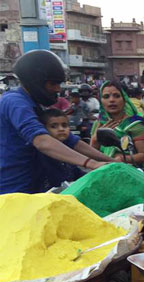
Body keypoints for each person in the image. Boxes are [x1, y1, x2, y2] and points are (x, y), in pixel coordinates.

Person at [0, 50, 111, 194]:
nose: (58, 89)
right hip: (16, 192)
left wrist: (113, 162)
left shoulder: (36, 104)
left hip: (41, 189)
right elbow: (42, 141)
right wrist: (91, 163)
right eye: (53, 84)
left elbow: (73, 142)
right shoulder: (15, 102)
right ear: (36, 81)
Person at [90, 81, 144, 165]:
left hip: (129, 172)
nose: (111, 100)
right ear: (101, 101)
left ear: (124, 99)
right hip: (102, 171)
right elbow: (91, 155)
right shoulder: (98, 124)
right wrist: (95, 139)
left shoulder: (135, 124)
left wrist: (123, 158)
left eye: (117, 96)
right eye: (106, 96)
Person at [38, 108, 85, 190]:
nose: (61, 129)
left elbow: (77, 173)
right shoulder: (43, 154)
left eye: (64, 125)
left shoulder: (67, 149)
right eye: (53, 126)